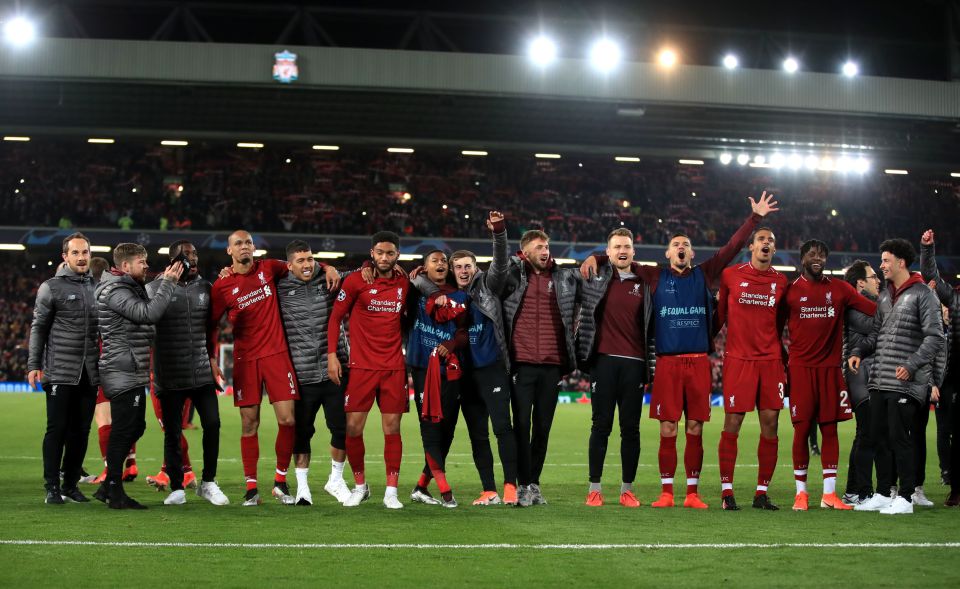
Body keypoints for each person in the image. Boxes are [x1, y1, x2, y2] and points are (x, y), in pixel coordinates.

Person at [579, 191, 776, 509]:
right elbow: (621, 258)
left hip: (698, 362)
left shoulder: (705, 273)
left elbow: (732, 248)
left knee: (695, 427)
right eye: (676, 244)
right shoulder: (654, 276)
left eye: (686, 244)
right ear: (668, 253)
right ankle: (667, 492)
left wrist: (755, 219)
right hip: (667, 364)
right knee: (668, 427)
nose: (681, 247)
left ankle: (693, 494)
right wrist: (598, 257)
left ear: (691, 252)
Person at [207, 230, 339, 507]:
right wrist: (211, 358)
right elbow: (211, 325)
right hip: (246, 360)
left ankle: (280, 481)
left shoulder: (269, 268)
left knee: (288, 420)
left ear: (254, 247)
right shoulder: (222, 286)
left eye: (248, 242)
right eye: (239, 244)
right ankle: (251, 487)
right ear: (229, 251)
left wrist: (328, 266)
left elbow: (302, 264)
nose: (245, 247)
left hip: (278, 355)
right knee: (249, 424)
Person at [849, 238, 945, 515]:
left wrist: (913, 365)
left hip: (905, 383)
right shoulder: (884, 296)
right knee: (878, 436)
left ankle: (905, 497)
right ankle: (882, 493)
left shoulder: (923, 294)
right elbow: (877, 335)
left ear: (901, 262)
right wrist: (858, 350)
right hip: (879, 379)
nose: (881, 266)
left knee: (900, 439)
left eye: (885, 260)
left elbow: (936, 337)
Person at [782, 240, 876, 511]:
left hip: (830, 370)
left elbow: (871, 309)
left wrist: (899, 303)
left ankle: (829, 494)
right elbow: (773, 328)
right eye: (812, 254)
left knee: (830, 429)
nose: (818, 258)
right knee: (801, 431)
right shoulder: (790, 292)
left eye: (822, 255)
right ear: (802, 259)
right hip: (800, 370)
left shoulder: (840, 290)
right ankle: (801, 493)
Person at [496, 229, 581, 507]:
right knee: (521, 425)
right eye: (539, 247)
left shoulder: (564, 277)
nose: (545, 251)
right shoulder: (513, 276)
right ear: (525, 252)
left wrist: (598, 257)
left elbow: (596, 280)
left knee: (543, 428)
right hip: (521, 363)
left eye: (547, 246)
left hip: (552, 365)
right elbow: (493, 271)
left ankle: (534, 483)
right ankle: (521, 485)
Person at [327, 231, 412, 509]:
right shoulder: (355, 280)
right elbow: (336, 317)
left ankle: (391, 491)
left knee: (392, 428)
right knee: (352, 428)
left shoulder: (405, 281)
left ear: (397, 255)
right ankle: (360, 486)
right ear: (371, 253)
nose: (384, 258)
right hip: (361, 367)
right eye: (379, 253)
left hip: (393, 367)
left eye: (390, 253)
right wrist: (331, 356)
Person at [93, 243, 181, 509]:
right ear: (125, 266)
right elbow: (148, 314)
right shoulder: (115, 291)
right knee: (124, 430)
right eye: (141, 261)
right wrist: (167, 283)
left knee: (134, 426)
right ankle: (115, 492)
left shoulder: (127, 287)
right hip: (122, 369)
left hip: (130, 368)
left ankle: (108, 487)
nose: (146, 265)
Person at [146, 240, 228, 506]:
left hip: (201, 372)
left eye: (195, 254)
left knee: (213, 424)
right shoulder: (154, 288)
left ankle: (209, 482)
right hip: (170, 374)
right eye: (186, 255)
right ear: (173, 260)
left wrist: (213, 358)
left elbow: (212, 329)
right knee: (172, 431)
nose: (192, 259)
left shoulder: (207, 287)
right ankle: (176, 487)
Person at [446, 211, 519, 506]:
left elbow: (501, 264)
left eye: (468, 266)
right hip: (465, 374)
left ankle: (511, 487)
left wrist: (498, 233)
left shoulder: (488, 286)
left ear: (476, 268)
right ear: (453, 270)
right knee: (478, 435)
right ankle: (488, 490)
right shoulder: (448, 296)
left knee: (502, 427)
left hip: (492, 369)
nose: (463, 270)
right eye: (458, 267)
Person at [715, 226, 788, 511]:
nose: (766, 243)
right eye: (761, 239)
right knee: (732, 423)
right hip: (738, 360)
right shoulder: (731, 275)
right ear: (751, 247)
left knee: (771, 424)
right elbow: (720, 316)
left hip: (770, 362)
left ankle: (761, 494)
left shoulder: (782, 282)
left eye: (771, 240)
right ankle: (726, 492)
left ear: (774, 248)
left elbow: (780, 321)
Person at [28, 233, 101, 504]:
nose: (82, 257)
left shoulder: (98, 288)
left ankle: (71, 484)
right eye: (76, 253)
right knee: (57, 429)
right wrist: (34, 364)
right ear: (65, 256)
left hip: (89, 372)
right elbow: (39, 328)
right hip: (60, 370)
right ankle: (51, 487)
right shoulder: (51, 287)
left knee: (81, 431)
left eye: (85, 252)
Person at [277, 239, 351, 506]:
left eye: (310, 259)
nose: (307, 265)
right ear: (289, 265)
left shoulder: (330, 279)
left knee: (342, 428)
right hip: (301, 373)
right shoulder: (280, 286)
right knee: (302, 433)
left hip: (336, 369)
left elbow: (363, 275)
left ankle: (336, 479)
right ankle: (303, 488)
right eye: (301, 260)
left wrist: (329, 267)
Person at [407, 250, 469, 508]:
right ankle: (444, 489)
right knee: (430, 428)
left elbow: (465, 333)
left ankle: (421, 486)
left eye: (444, 260)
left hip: (451, 372)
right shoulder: (415, 293)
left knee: (447, 432)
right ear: (424, 268)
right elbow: (394, 274)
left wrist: (452, 343)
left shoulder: (461, 297)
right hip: (424, 369)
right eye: (435, 260)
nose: (441, 263)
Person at [840, 260, 889, 505]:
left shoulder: (867, 304)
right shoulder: (854, 307)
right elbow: (879, 327)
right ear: (860, 282)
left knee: (866, 433)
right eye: (872, 277)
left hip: (869, 373)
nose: (877, 280)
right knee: (867, 431)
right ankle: (862, 492)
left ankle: (853, 491)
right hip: (858, 373)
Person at [919, 229, 960, 506]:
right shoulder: (955, 297)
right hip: (954, 376)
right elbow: (931, 277)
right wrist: (927, 249)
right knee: (951, 431)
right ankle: (955, 487)